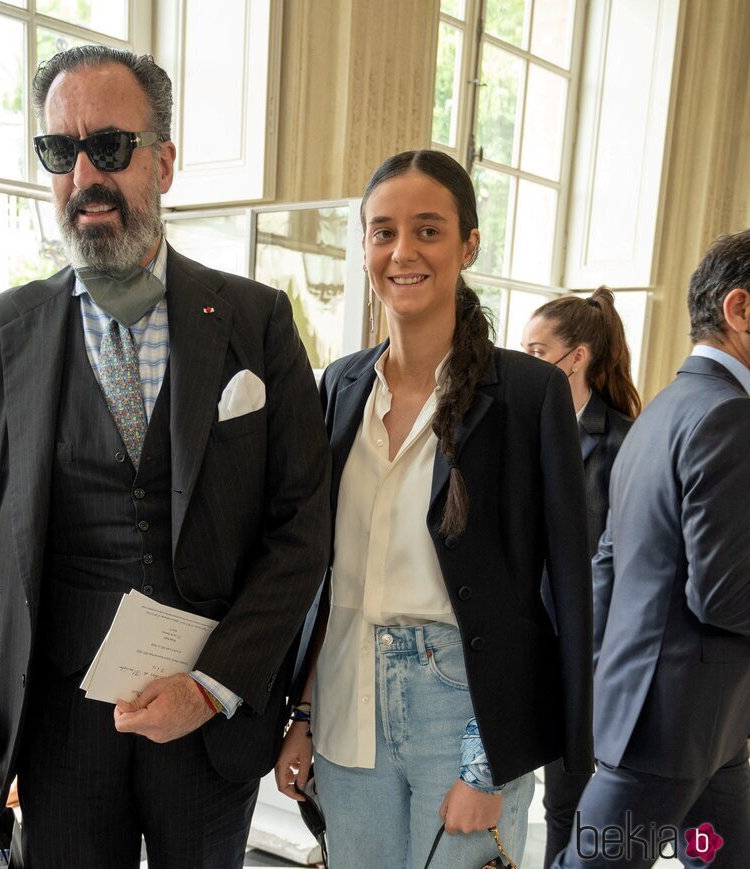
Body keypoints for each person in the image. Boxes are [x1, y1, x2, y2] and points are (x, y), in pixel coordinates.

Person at [0, 44, 330, 868]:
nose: (84, 174)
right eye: (60, 152)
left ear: (164, 162)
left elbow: (301, 528)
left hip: (209, 720)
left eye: (110, 146)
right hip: (58, 727)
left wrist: (212, 684)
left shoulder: (256, 320)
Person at [275, 150, 594, 868]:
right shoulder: (341, 384)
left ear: (469, 244)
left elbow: (554, 584)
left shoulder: (527, 393)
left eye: (427, 230)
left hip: (460, 705)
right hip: (346, 699)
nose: (402, 251)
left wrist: (490, 761)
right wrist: (300, 712)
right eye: (382, 231)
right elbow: (326, 576)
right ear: (363, 248)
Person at [553, 230, 750, 868]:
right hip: (671, 734)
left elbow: (610, 562)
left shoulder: (668, 407)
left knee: (723, 857)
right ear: (740, 310)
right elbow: (722, 593)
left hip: (692, 729)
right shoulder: (727, 415)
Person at [521, 288, 641, 867]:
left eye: (537, 349)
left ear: (578, 357)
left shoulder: (623, 442)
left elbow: (625, 564)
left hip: (590, 654)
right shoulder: (517, 429)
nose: (525, 360)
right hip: (520, 642)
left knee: (572, 803)